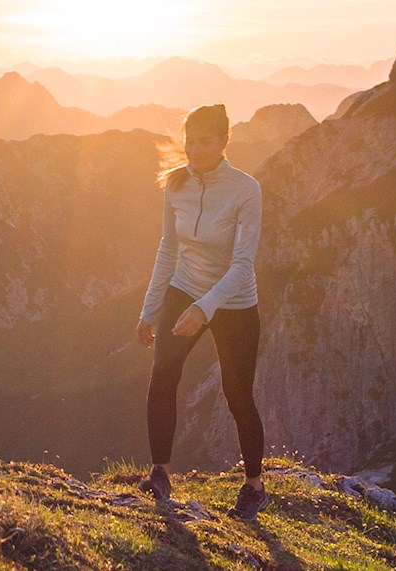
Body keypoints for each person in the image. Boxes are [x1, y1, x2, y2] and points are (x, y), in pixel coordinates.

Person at [135, 104, 268, 521]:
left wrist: (204, 308)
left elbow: (243, 264)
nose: (194, 149)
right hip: (185, 287)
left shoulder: (246, 190)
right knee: (163, 375)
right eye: (189, 141)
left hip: (233, 301)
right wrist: (150, 309)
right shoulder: (176, 185)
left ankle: (254, 487)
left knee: (237, 394)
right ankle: (160, 473)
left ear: (224, 142)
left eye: (204, 142)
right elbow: (167, 249)